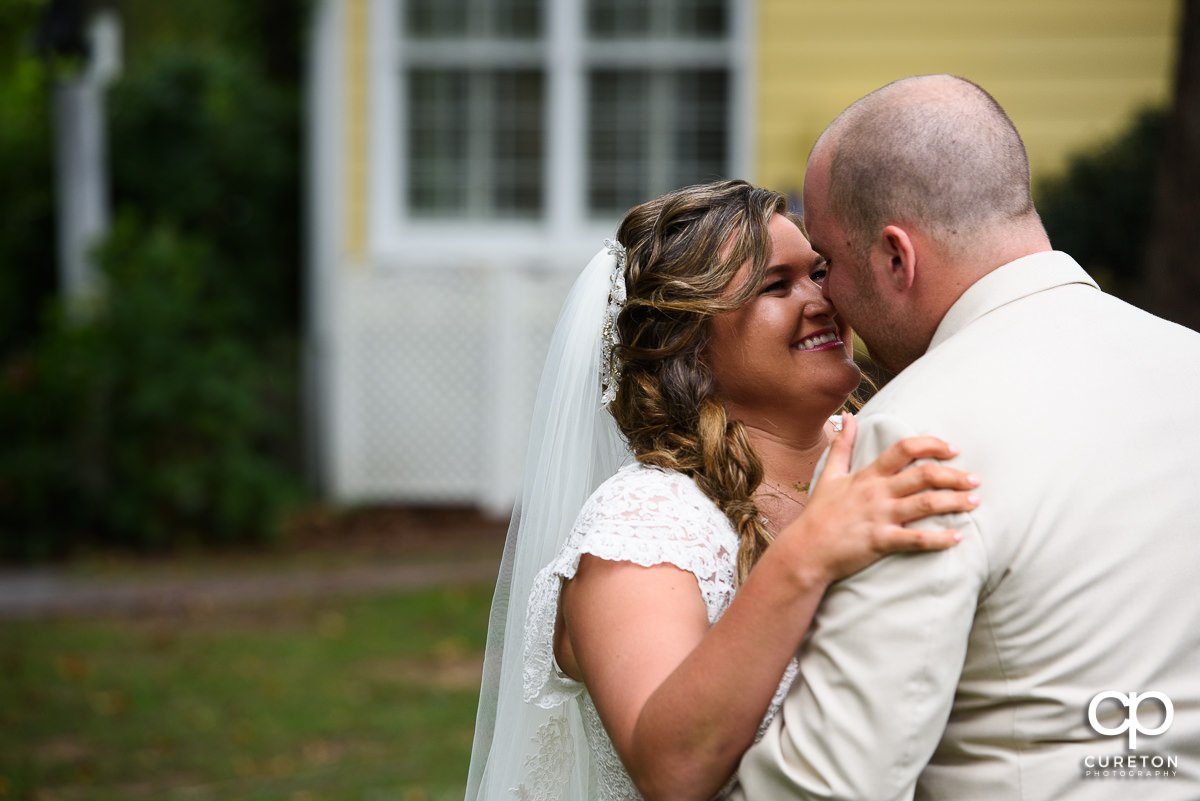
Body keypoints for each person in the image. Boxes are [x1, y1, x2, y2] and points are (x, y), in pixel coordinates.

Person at [735, 75, 1200, 801]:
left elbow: (830, 779)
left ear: (897, 257)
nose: (829, 301)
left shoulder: (913, 433)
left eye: (829, 265)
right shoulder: (1189, 364)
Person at [464, 179, 983, 801]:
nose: (823, 300)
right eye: (776, 285)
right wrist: (807, 554)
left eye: (820, 273)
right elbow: (673, 771)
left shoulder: (888, 445)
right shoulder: (646, 523)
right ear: (689, 345)